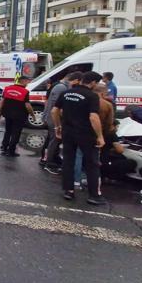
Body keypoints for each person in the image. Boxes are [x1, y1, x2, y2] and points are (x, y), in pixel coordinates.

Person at [50, 72, 106, 205]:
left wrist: (58, 127)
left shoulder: (67, 93)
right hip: (85, 134)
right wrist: (100, 136)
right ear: (92, 82)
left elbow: (54, 111)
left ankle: (68, 190)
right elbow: (93, 117)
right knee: (92, 163)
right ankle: (94, 195)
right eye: (97, 83)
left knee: (68, 161)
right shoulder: (92, 96)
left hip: (68, 132)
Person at [42, 71, 83, 173]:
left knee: (54, 141)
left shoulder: (64, 87)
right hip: (54, 119)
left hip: (54, 118)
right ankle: (48, 163)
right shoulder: (62, 87)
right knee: (54, 141)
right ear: (77, 80)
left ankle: (52, 159)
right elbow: (56, 107)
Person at [0, 76, 34, 157]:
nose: (28, 84)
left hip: (7, 114)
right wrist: (32, 115)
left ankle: (4, 147)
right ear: (23, 81)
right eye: (27, 82)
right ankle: (11, 151)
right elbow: (27, 105)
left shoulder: (7, 88)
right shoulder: (25, 91)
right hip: (19, 116)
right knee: (15, 133)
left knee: (8, 131)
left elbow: (2, 101)